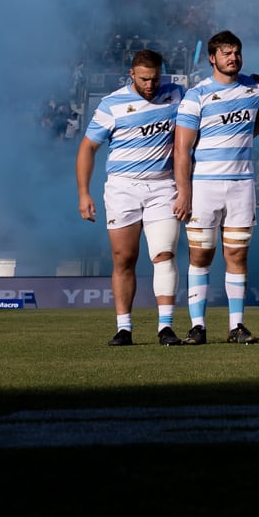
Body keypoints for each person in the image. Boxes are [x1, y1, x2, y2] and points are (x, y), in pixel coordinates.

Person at [76, 50, 187, 346]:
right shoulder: (111, 104)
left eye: (155, 78)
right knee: (124, 258)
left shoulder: (177, 94)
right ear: (132, 75)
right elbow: (87, 148)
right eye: (144, 79)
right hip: (122, 188)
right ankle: (124, 327)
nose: (150, 85)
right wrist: (84, 193)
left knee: (164, 254)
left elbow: (209, 103)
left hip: (163, 187)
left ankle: (166, 327)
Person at [172, 30, 259, 344]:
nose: (233, 58)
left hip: (242, 186)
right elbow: (181, 149)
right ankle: (198, 326)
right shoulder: (197, 95)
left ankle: (237, 327)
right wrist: (184, 192)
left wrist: (245, 135)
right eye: (226, 53)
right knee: (200, 257)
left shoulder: (254, 89)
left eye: (236, 52)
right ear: (212, 58)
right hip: (203, 188)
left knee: (237, 257)